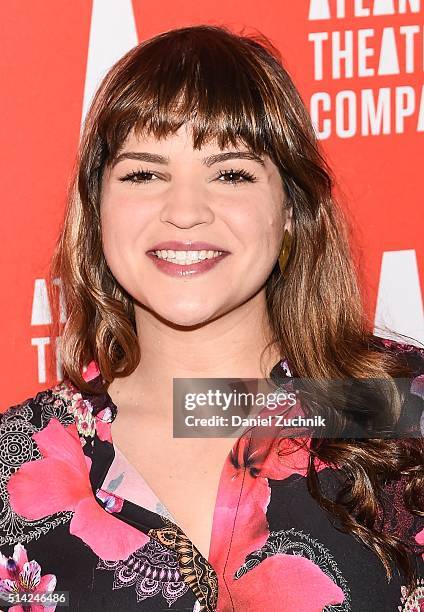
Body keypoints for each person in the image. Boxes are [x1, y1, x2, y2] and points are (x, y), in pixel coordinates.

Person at [0, 24, 423, 612]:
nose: (186, 212)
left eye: (230, 173)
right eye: (144, 173)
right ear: (97, 209)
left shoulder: (401, 409)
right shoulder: (16, 462)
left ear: (291, 209)